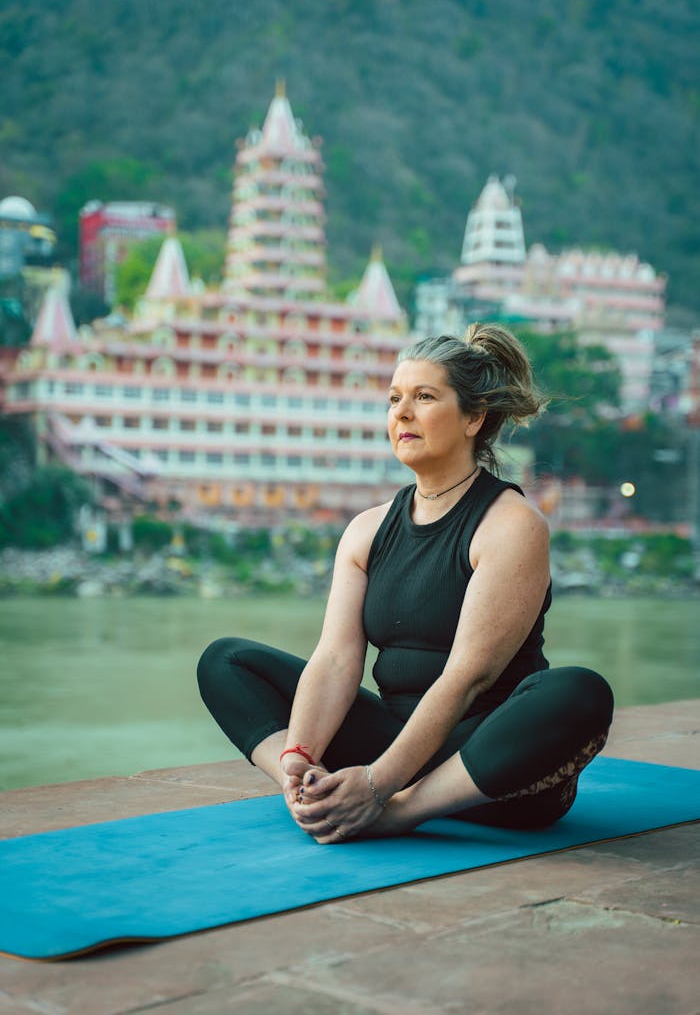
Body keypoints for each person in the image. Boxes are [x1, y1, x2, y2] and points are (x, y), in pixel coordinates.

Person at [197, 325, 614, 844]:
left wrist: (379, 787)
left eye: (424, 397)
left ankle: (400, 812)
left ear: (474, 418)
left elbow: (468, 677)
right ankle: (314, 793)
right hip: (393, 745)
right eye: (395, 399)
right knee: (226, 660)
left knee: (579, 692)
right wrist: (299, 760)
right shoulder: (366, 530)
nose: (402, 413)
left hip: (489, 765)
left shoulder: (510, 524)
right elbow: (336, 660)